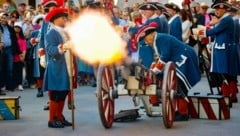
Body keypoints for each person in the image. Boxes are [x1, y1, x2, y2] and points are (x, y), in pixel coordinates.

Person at [135, 22, 201, 121]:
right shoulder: (157, 40)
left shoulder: (161, 39)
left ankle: (183, 113)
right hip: (178, 57)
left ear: (151, 34)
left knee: (179, 85)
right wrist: (153, 69)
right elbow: (160, 58)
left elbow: (165, 56)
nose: (146, 42)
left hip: (184, 55)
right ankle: (178, 110)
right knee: (176, 85)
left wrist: (154, 71)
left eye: (146, 39)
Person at [198, 0, 239, 102]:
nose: (217, 11)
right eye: (216, 9)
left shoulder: (226, 20)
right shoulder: (225, 19)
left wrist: (201, 32)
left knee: (223, 73)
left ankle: (226, 96)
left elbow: (215, 31)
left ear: (224, 10)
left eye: (220, 10)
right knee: (228, 73)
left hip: (224, 49)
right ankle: (231, 95)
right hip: (224, 48)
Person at [43, 7, 73, 128]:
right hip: (57, 67)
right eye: (62, 18)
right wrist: (64, 46)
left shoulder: (64, 31)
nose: (65, 19)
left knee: (64, 92)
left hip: (66, 65)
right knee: (56, 94)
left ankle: (59, 116)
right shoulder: (51, 33)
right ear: (55, 20)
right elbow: (50, 50)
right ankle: (52, 119)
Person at [13, 21, 27, 91]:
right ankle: (15, 84)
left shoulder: (22, 38)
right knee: (13, 71)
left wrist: (23, 56)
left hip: (20, 56)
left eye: (18, 27)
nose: (17, 29)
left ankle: (20, 84)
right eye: (16, 27)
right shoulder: (12, 36)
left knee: (19, 71)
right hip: (13, 56)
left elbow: (24, 48)